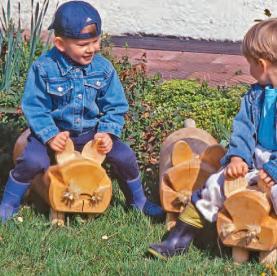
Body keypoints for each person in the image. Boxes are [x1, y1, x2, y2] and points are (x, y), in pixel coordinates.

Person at [0, 1, 164, 223]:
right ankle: (9, 203)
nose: (92, 49)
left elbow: (115, 106)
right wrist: (49, 135)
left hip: (91, 134)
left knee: (124, 156)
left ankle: (138, 201)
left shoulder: (103, 68)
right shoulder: (44, 67)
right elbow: (34, 106)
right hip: (54, 134)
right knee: (31, 160)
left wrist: (107, 133)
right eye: (83, 44)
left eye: (95, 41)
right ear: (60, 43)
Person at [148, 18, 277, 259]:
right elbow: (243, 129)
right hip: (256, 163)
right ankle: (180, 237)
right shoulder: (254, 97)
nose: (250, 70)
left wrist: (274, 169)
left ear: (261, 64)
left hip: (275, 169)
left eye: (250, 64)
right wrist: (238, 157)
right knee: (215, 184)